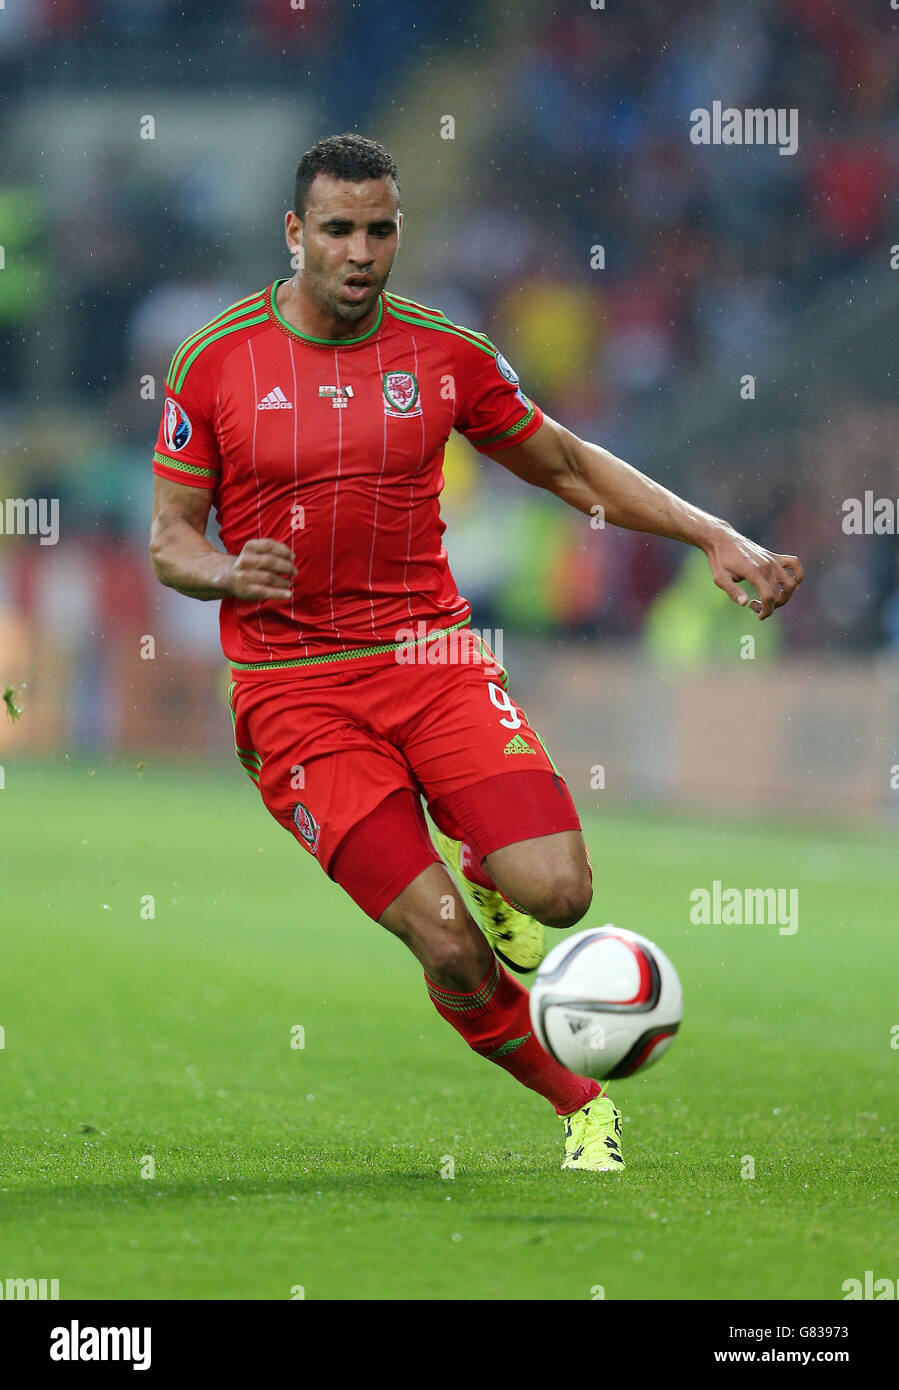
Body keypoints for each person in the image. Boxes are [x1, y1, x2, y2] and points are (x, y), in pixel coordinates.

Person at [149, 133, 802, 1172]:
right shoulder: (214, 361)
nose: (360, 253)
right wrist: (225, 572)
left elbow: (564, 463)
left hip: (430, 659)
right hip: (294, 697)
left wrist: (711, 532)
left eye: (379, 230)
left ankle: (485, 860)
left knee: (558, 893)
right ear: (293, 234)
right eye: (337, 231)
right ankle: (577, 1099)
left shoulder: (443, 355)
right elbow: (171, 536)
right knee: (448, 942)